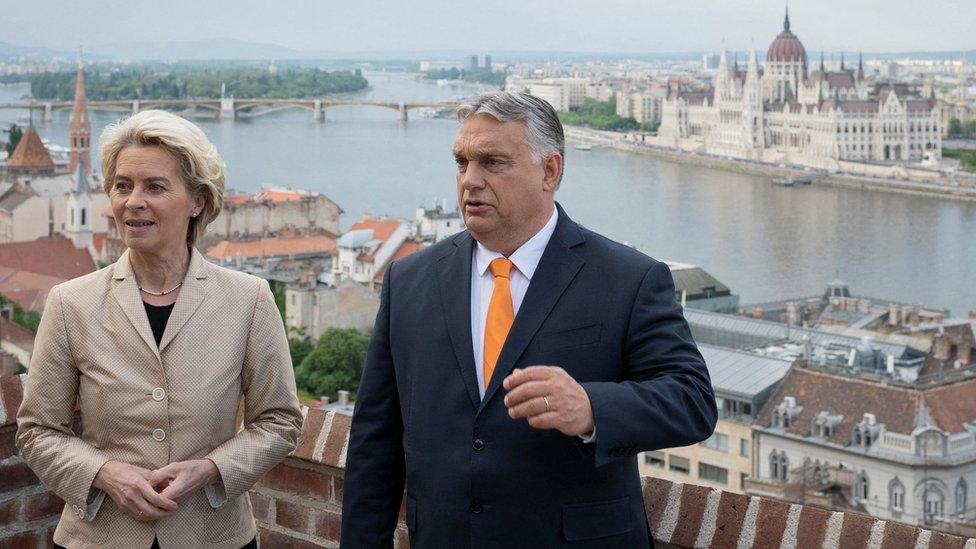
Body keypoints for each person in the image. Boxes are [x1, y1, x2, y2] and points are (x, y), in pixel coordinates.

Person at [341, 91, 717, 547]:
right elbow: (375, 441)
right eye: (462, 162)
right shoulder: (410, 279)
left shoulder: (628, 279)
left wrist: (591, 408)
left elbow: (693, 400)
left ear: (550, 171)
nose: (470, 181)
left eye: (492, 163)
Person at [16, 110, 303, 549]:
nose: (133, 201)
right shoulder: (71, 302)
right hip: (98, 538)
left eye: (155, 186)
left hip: (214, 536)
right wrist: (104, 474)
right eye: (122, 185)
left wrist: (210, 469)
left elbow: (280, 421)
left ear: (198, 201)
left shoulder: (249, 299)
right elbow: (37, 431)